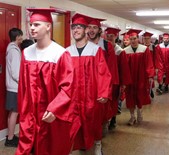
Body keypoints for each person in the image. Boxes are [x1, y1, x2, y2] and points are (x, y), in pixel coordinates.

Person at [16, 8, 75, 155]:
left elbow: (68, 87)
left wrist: (55, 109)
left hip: (50, 114)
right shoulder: (27, 52)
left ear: (48, 26)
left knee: (50, 147)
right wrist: (23, 110)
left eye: (36, 24)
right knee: (28, 147)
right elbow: (23, 86)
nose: (31, 28)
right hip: (30, 113)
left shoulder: (60, 53)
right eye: (31, 24)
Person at [66, 13, 112, 155]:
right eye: (73, 27)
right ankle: (77, 147)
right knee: (74, 125)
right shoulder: (67, 51)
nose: (76, 30)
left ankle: (97, 145)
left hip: (91, 96)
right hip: (73, 97)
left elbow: (103, 73)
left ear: (86, 30)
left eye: (79, 27)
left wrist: (104, 93)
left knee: (93, 124)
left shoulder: (95, 50)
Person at [87, 16, 119, 143]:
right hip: (87, 84)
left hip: (102, 84)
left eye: (95, 27)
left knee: (102, 111)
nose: (91, 30)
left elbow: (111, 68)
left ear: (99, 30)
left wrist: (109, 87)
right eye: (89, 27)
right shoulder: (81, 44)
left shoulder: (106, 45)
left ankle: (99, 138)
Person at [123, 29, 154, 125]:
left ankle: (140, 113)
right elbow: (124, 67)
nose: (133, 41)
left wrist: (150, 76)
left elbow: (149, 63)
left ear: (138, 38)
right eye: (131, 39)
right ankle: (132, 117)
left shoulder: (144, 49)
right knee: (130, 98)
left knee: (140, 96)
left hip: (141, 77)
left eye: (134, 38)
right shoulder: (125, 51)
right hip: (130, 78)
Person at [104, 27, 131, 129]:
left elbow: (123, 68)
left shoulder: (119, 51)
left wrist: (123, 83)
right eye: (108, 36)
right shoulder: (102, 49)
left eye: (112, 36)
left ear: (116, 37)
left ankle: (113, 119)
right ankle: (105, 120)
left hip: (115, 81)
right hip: (104, 81)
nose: (110, 38)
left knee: (114, 101)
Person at [5, 28, 23, 147]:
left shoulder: (11, 49)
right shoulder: (14, 51)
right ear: (17, 37)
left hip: (12, 87)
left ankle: (10, 135)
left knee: (12, 113)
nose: (22, 38)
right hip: (15, 87)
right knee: (14, 113)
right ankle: (10, 139)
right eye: (21, 36)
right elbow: (16, 73)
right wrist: (23, 82)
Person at [142, 32, 156, 98]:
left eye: (148, 38)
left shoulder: (153, 47)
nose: (146, 40)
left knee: (150, 80)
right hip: (143, 66)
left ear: (150, 39)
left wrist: (155, 67)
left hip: (151, 66)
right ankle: (146, 91)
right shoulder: (141, 47)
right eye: (145, 38)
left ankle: (150, 90)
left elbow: (156, 57)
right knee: (143, 80)